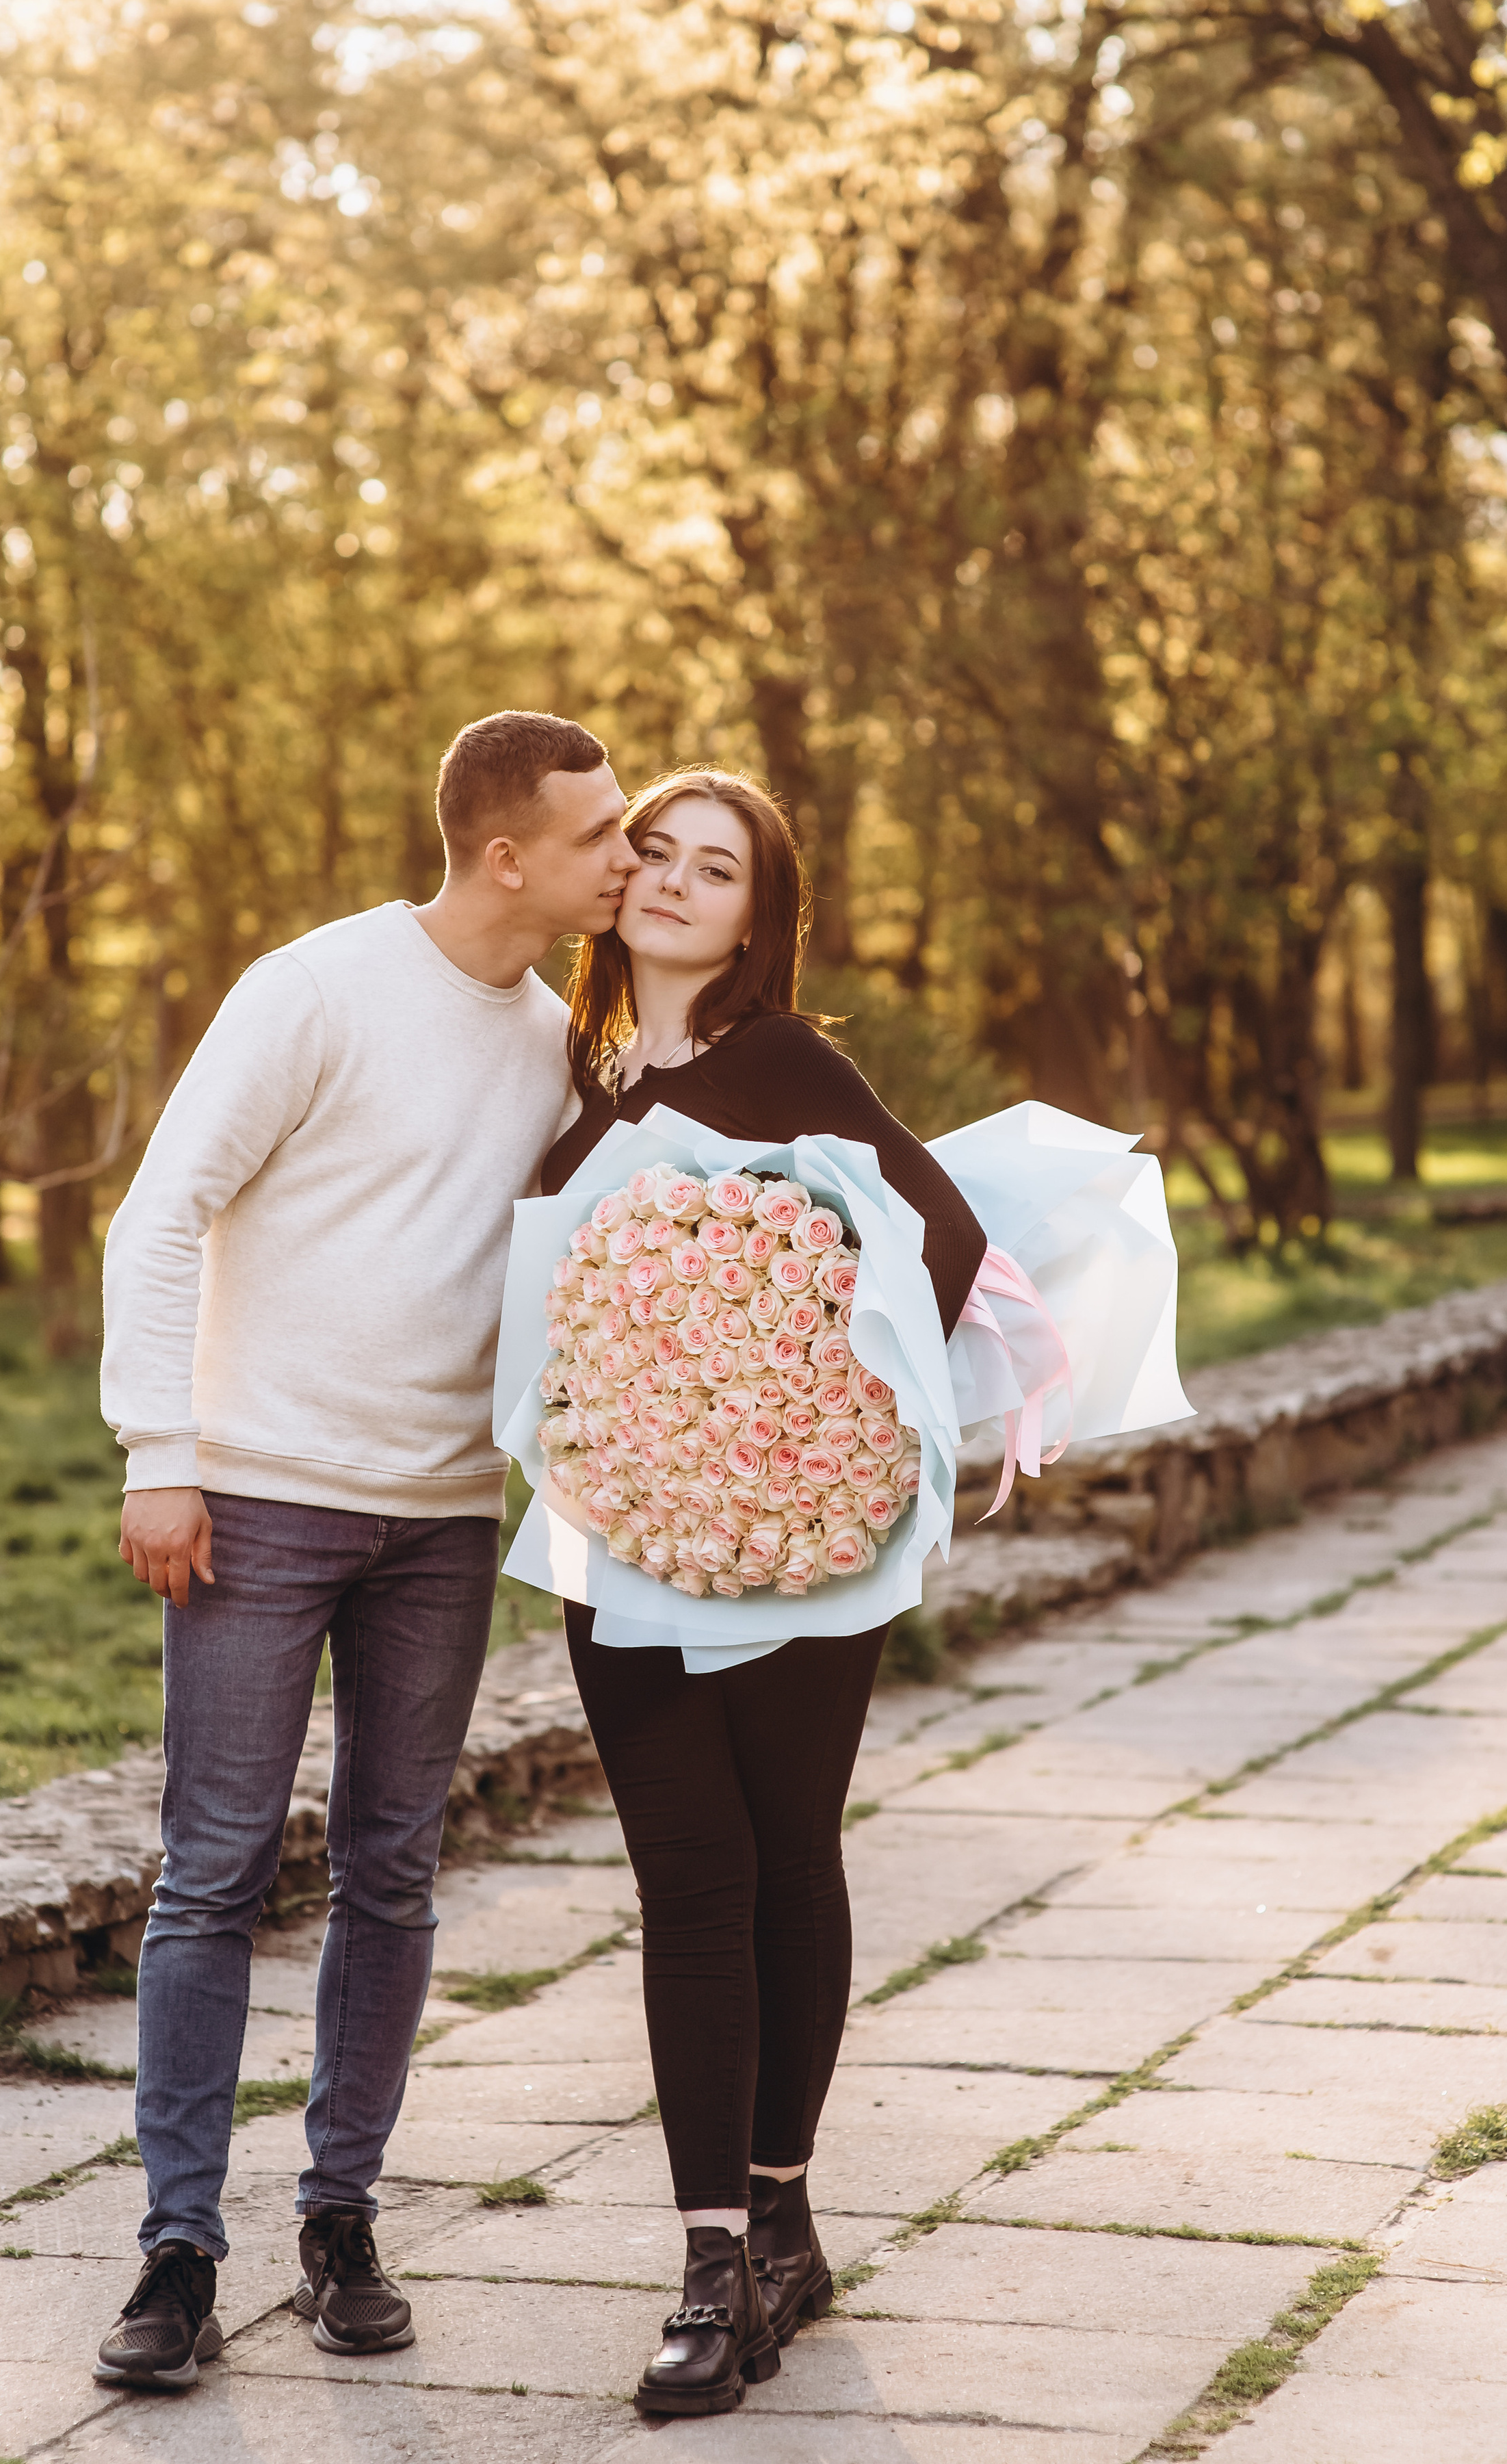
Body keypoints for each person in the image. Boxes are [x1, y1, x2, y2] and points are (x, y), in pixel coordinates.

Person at [92, 710, 637, 2394]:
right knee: (215, 1873)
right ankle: (178, 2251)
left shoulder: (556, 1041)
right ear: (505, 855)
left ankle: (341, 2221)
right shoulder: (311, 989)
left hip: (437, 1524)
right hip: (253, 1495)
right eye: (601, 833)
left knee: (393, 1871)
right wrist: (162, 1455)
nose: (626, 856)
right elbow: (163, 1206)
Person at [540, 767, 988, 2420]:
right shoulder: (573, 1084)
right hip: (624, 1549)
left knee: (787, 1858)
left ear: (754, 913)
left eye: (710, 866)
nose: (667, 879)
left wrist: (815, 1431)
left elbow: (938, 1237)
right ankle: (709, 2262)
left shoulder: (785, 1063)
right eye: (649, 850)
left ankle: (782, 2213)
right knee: (687, 1878)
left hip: (801, 1537)